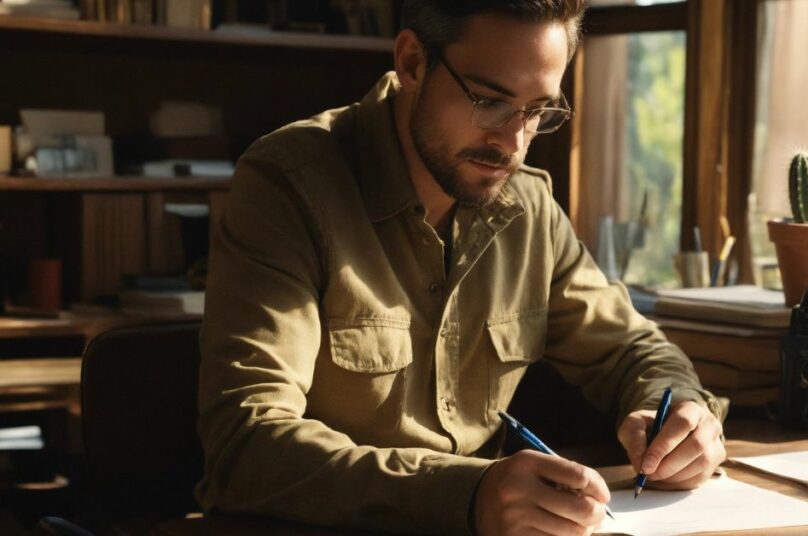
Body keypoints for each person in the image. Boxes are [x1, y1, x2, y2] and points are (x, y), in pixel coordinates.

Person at [196, 1, 726, 535]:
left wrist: (681, 413)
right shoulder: (289, 185)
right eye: (491, 101)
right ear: (412, 63)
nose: (513, 142)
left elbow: (633, 349)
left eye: (539, 110)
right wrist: (467, 494)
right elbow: (246, 443)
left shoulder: (529, 207)